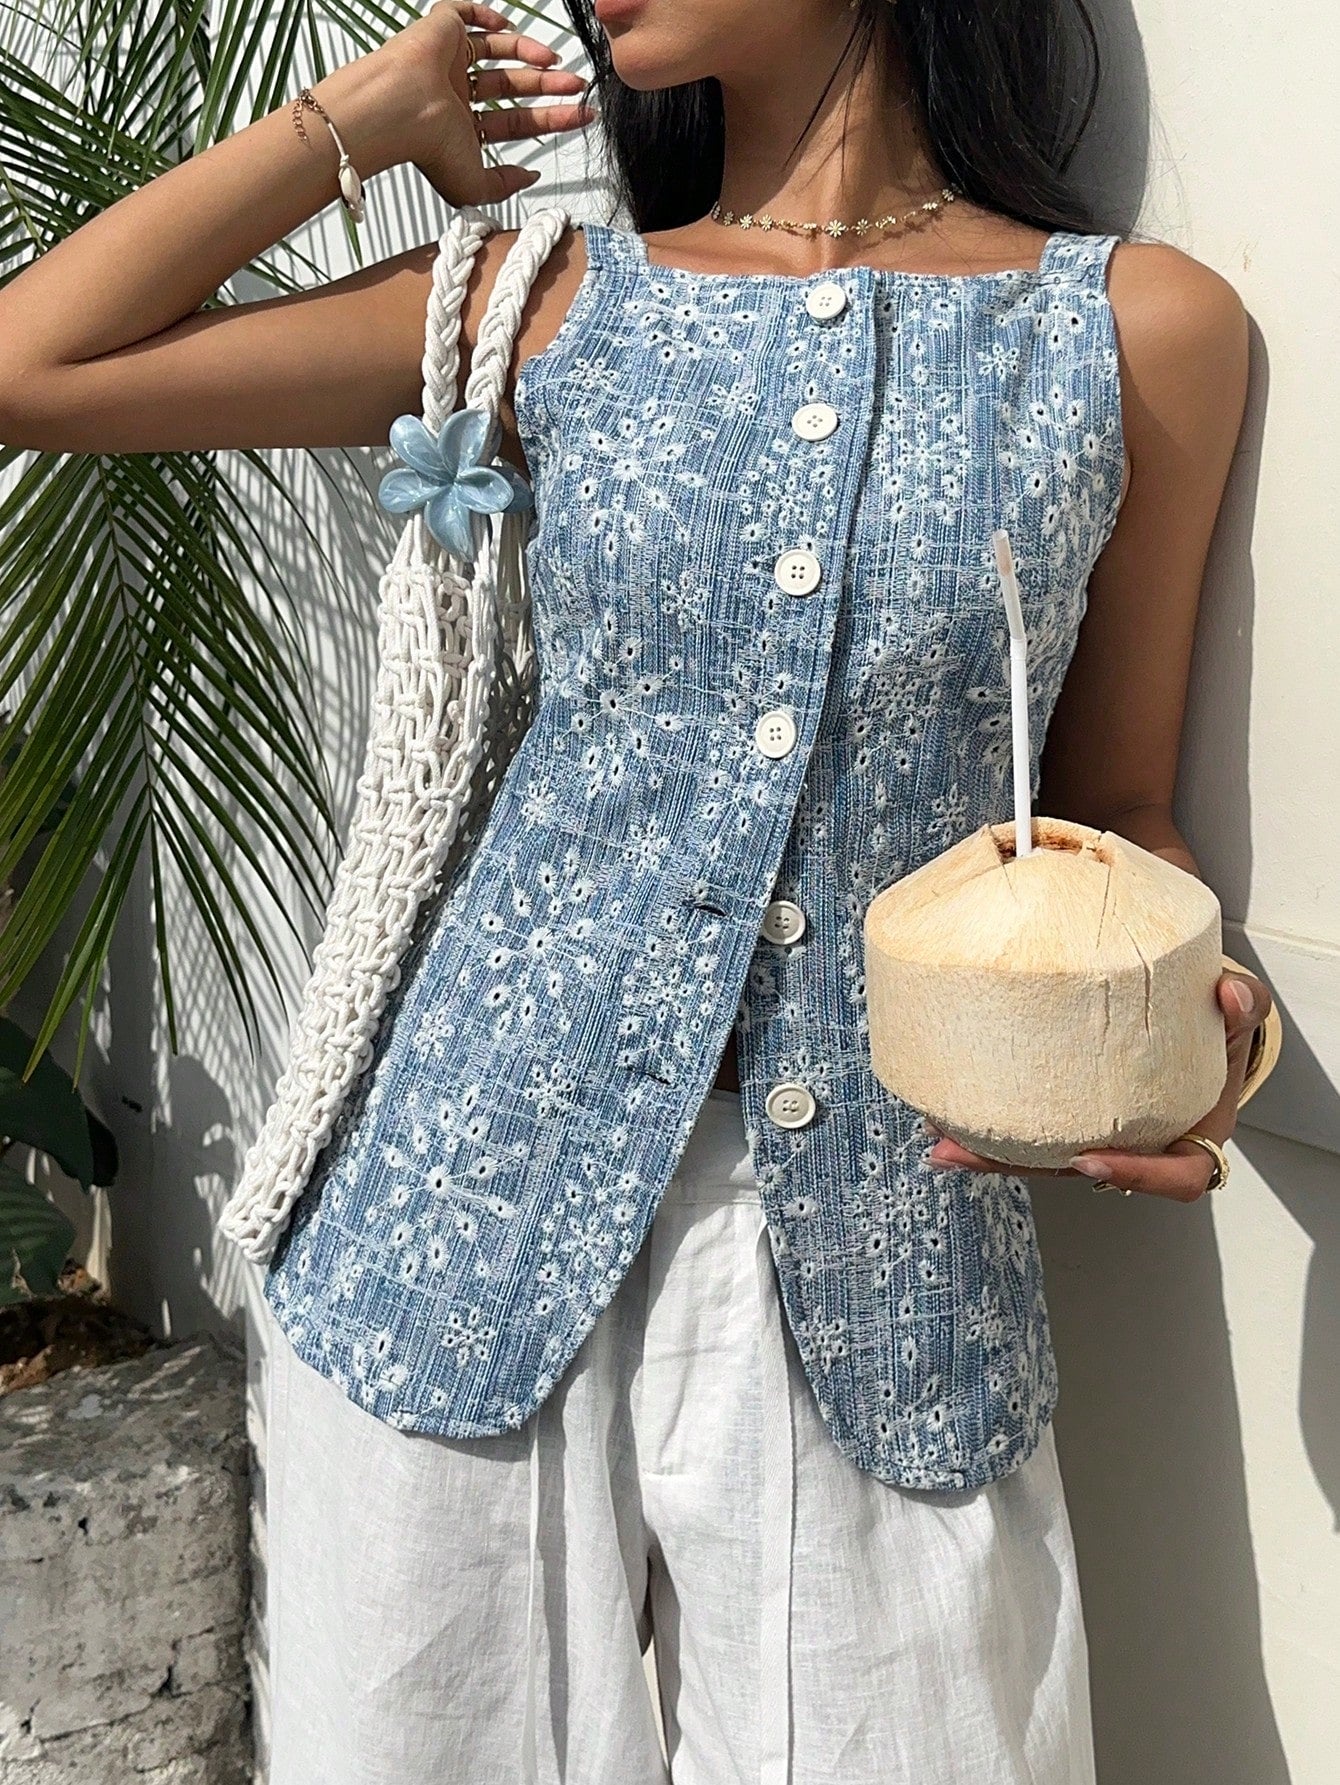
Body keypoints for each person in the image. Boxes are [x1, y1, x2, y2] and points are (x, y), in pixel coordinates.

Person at [0, 1, 1277, 1779]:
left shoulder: (1138, 330)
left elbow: (1119, 810)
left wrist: (1195, 1036)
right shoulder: (547, 301)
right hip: (457, 1231)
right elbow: (33, 363)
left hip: (894, 1252)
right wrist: (364, 117)